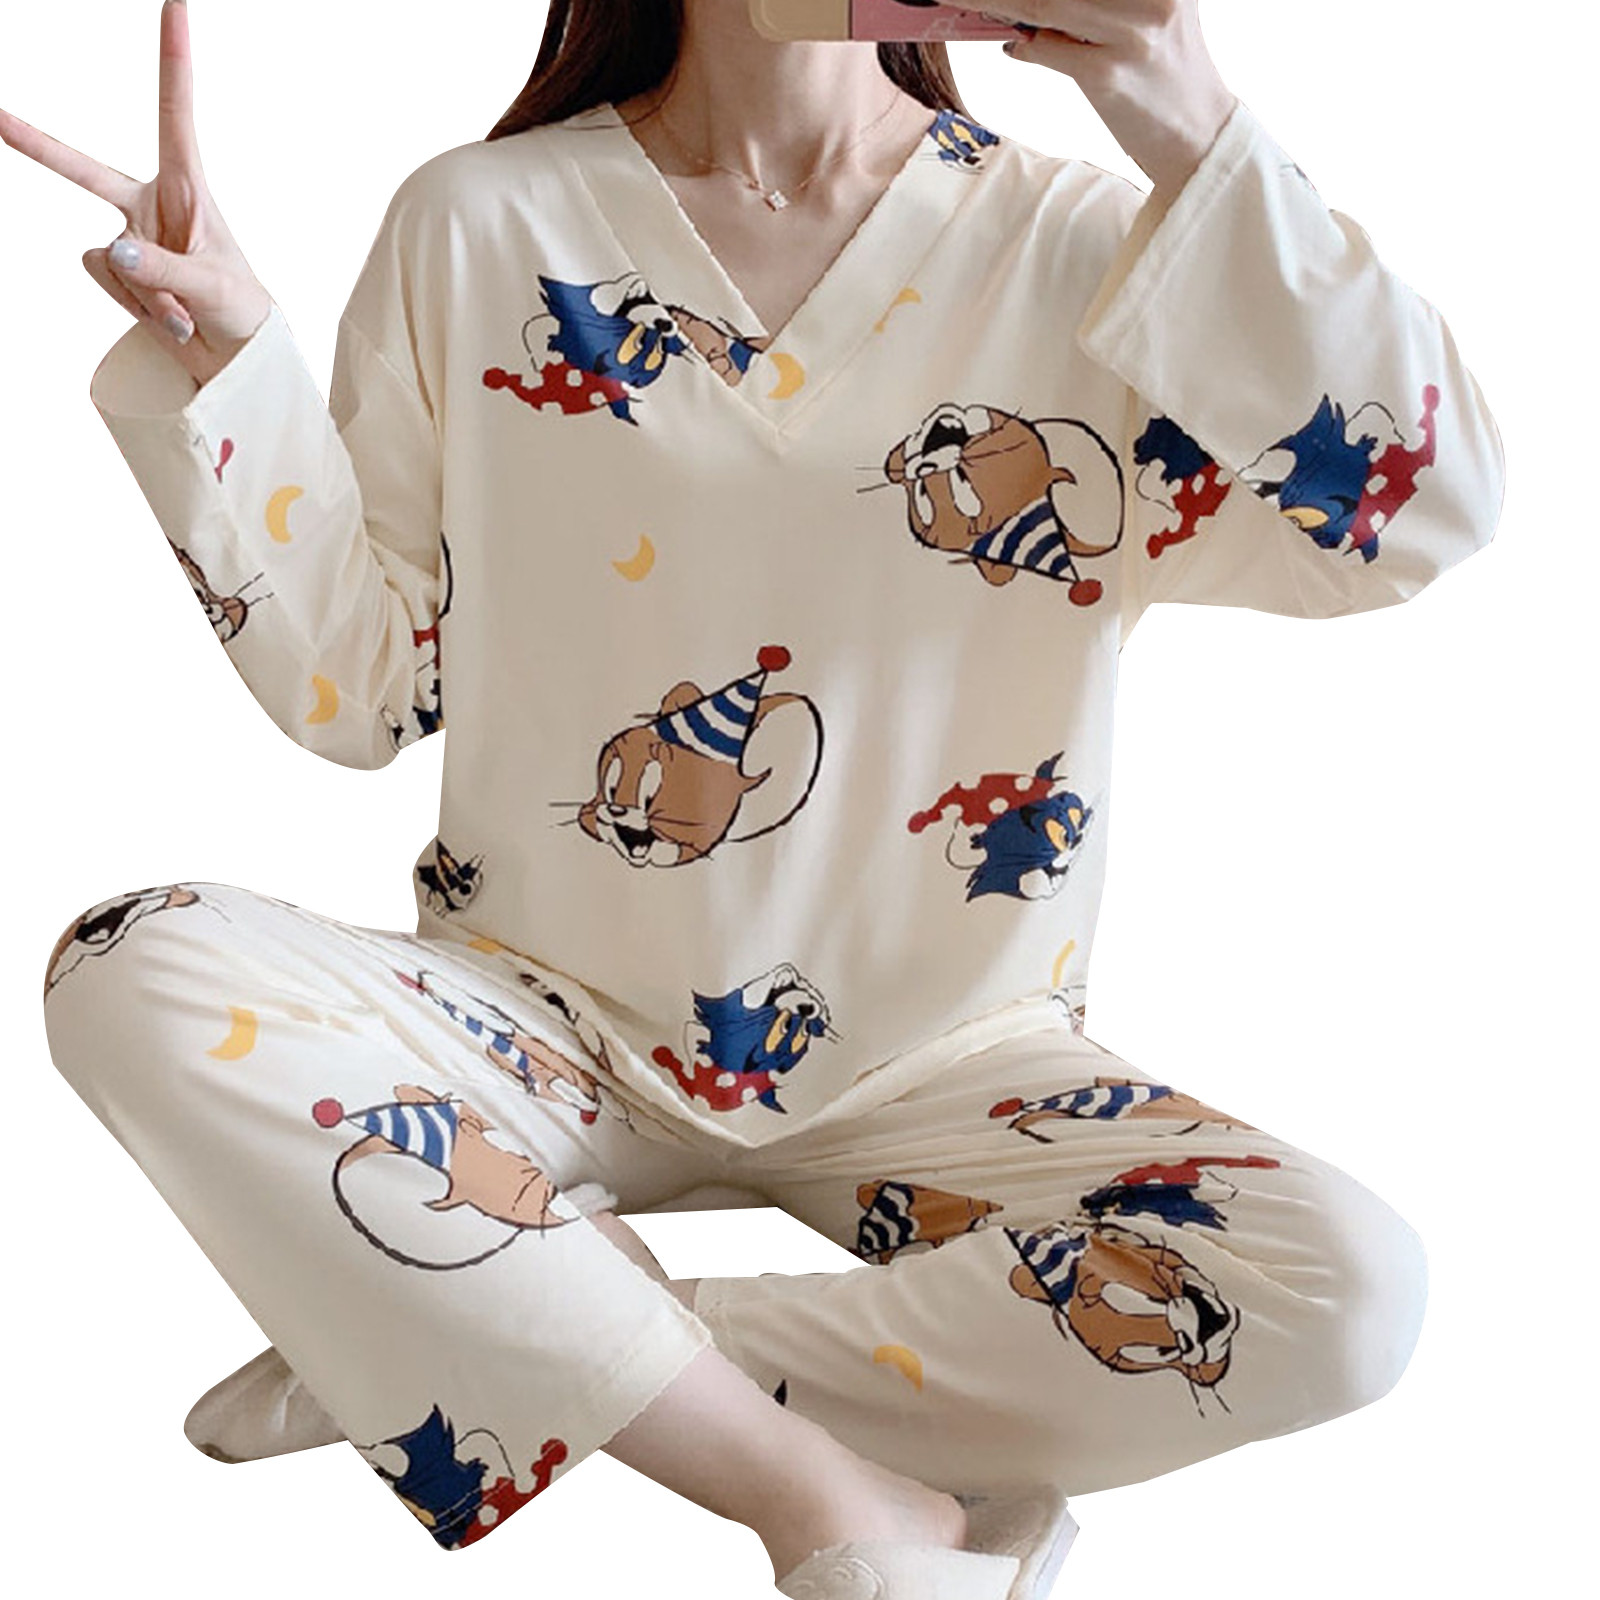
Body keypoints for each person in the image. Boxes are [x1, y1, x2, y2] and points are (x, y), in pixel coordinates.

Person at [5, 0, 1504, 1593]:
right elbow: (363, 691)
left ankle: (466, 1323)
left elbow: (1418, 519)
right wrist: (233, 367)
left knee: (1347, 1290)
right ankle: (804, 1483)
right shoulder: (482, 222)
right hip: (538, 1024)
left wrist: (1192, 124)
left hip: (956, 1057)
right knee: (132, 963)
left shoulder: (1082, 247)